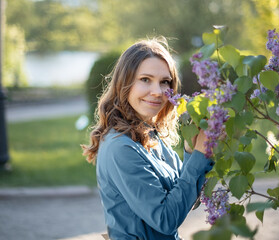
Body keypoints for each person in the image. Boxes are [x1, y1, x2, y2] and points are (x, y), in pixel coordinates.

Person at [82, 37, 214, 240]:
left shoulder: (151, 135)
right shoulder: (121, 148)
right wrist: (200, 154)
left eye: (165, 82)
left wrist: (190, 151)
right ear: (125, 83)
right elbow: (166, 220)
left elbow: (187, 199)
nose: (157, 92)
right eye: (145, 79)